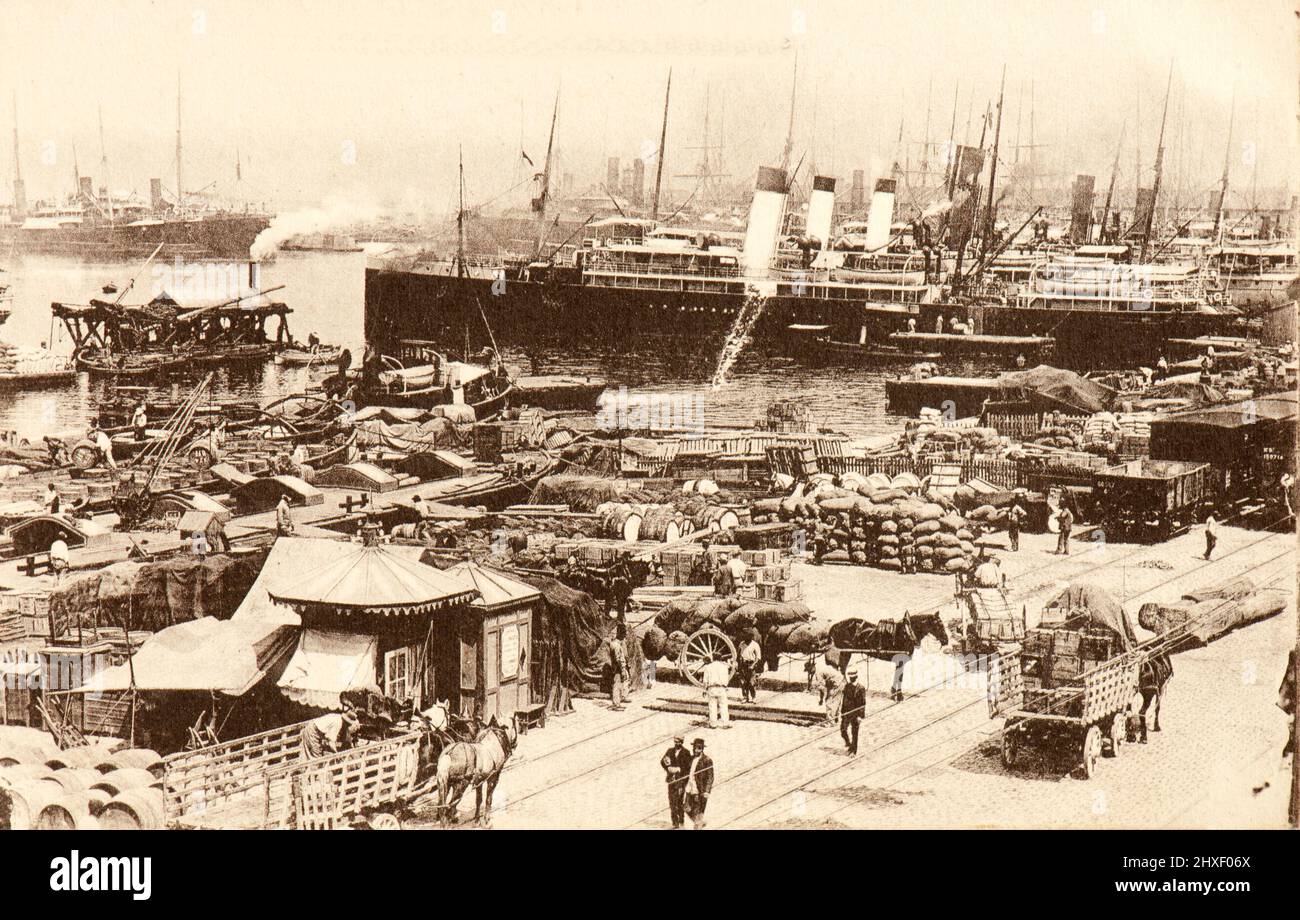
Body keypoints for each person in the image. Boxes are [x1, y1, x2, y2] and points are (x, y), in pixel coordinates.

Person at [660, 736, 693, 829]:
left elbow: (688, 768)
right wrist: (668, 767)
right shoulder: (670, 751)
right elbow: (663, 761)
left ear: (682, 742)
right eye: (675, 741)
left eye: (678, 742)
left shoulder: (686, 753)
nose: (676, 743)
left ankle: (681, 822)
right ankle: (675, 823)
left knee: (679, 802)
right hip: (671, 781)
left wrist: (679, 770)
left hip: (680, 782)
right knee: (672, 802)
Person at [683, 739, 713, 829]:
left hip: (699, 789)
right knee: (686, 807)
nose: (696, 750)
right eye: (695, 748)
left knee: (698, 810)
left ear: (702, 749)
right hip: (690, 787)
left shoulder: (707, 760)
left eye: (699, 748)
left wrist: (707, 791)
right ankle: (699, 822)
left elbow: (710, 777)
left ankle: (698, 824)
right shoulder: (691, 758)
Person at [841, 668, 867, 755]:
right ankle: (849, 744)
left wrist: (860, 716)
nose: (851, 678)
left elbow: (863, 703)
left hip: (856, 713)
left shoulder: (861, 688)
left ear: (856, 677)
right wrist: (842, 712)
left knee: (854, 732)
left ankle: (854, 751)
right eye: (850, 677)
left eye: (853, 677)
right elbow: (844, 700)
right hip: (847, 712)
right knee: (843, 729)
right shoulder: (847, 686)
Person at [702, 656, 732, 727]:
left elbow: (705, 680)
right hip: (721, 688)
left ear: (713, 658)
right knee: (723, 706)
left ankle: (713, 724)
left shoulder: (708, 667)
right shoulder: (724, 667)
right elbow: (726, 679)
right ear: (720, 658)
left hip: (712, 688)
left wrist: (704, 689)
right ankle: (725, 723)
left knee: (712, 706)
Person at [608, 630, 629, 711]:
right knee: (617, 686)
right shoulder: (617, 645)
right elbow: (618, 659)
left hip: (616, 667)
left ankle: (617, 702)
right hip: (618, 668)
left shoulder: (613, 644)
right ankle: (616, 704)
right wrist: (622, 669)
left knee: (618, 685)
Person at [737, 632, 762, 703]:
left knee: (751, 682)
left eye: (747, 637)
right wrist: (738, 664)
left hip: (751, 664)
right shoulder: (741, 644)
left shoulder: (755, 645)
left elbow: (758, 657)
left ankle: (753, 697)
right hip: (742, 665)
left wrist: (753, 665)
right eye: (744, 637)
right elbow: (738, 655)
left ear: (750, 637)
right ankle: (745, 697)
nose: (745, 639)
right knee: (743, 682)